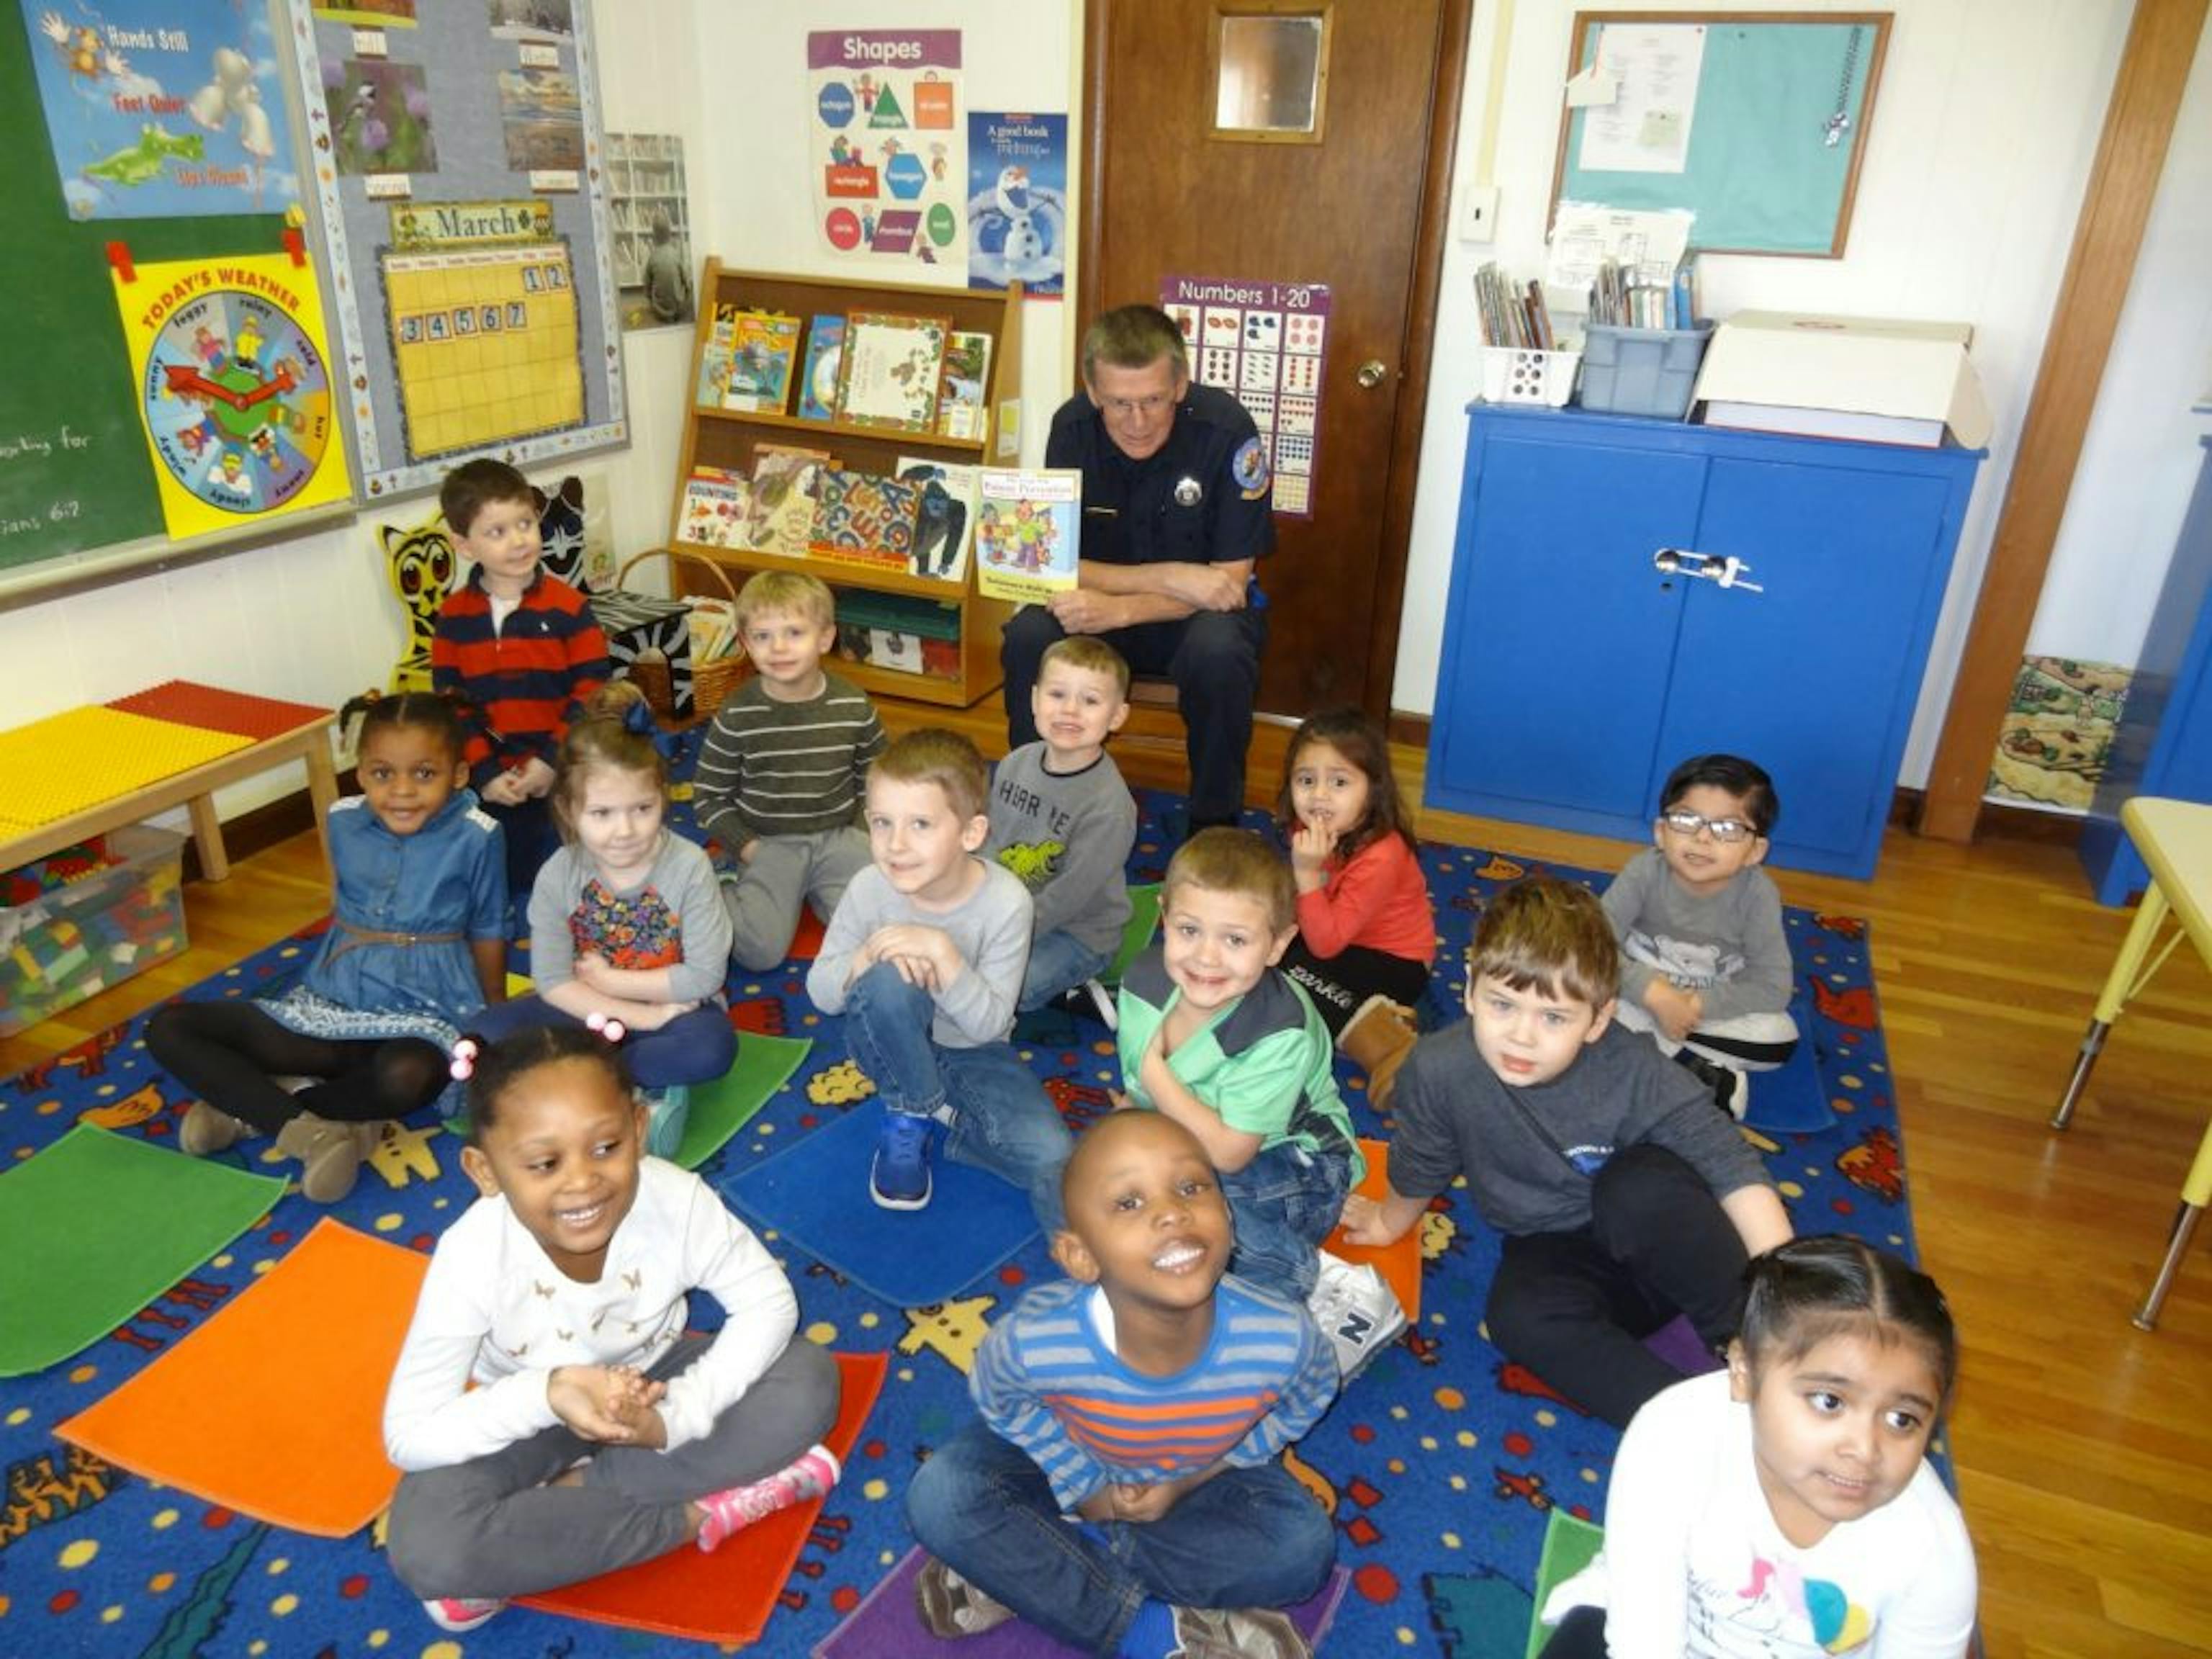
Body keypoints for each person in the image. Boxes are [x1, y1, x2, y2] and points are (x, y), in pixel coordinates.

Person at [382, 1026, 842, 1635]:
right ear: (484, 1170)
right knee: (428, 1547)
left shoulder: (677, 1200)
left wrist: (676, 1417)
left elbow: (768, 1303)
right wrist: (547, 1394)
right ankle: (698, 1516)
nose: (582, 1182)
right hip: (533, 1410)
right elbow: (409, 1433)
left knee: (807, 1379)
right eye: (544, 1164)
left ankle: (563, 1511)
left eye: (606, 1147)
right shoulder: (470, 1256)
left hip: (655, 1382)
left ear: (639, 1129)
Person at [1339, 876, 1794, 1427]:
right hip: (1558, 1248)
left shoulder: (1631, 1066)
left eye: (1554, 1017)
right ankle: (1689, 1425)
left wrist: (1783, 1309)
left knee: (1635, 1188)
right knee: (1517, 1317)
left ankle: (1752, 1345)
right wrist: (1389, 1221)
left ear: (1599, 1019)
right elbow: (1423, 1156)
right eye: (1502, 1005)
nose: (1522, 1036)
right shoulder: (1437, 1069)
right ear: (1470, 990)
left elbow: (1731, 1167)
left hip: (1670, 1243)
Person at [904, 1110, 1339, 1659]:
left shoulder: (1282, 1334)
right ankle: (1149, 1633)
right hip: (1067, 1456)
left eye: (1191, 1187)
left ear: (1228, 1218)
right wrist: (1084, 1484)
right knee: (942, 1494)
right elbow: (998, 1394)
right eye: (1129, 1202)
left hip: (1192, 1482)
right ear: (1080, 1257)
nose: (1172, 1212)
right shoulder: (1040, 1336)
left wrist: (1200, 1476)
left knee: (1302, 1550)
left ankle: (1032, 1561)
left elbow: (1313, 1389)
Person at [1537, 1236, 1977, 1659]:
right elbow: (1644, 1643)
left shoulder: (1932, 1548)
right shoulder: (1672, 1436)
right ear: (1744, 1372)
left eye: (1902, 1419)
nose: (1865, 1449)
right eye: (1829, 1402)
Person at [148, 691, 505, 1203]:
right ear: (360, 773)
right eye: (382, 774)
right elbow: (346, 906)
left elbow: (490, 926)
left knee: (408, 1077)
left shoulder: (479, 835)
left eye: (424, 774)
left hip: (428, 1010)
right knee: (169, 1027)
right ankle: (310, 1129)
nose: (402, 791)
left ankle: (258, 1108)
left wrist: (492, 1020)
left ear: (459, 775)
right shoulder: (342, 820)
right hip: (335, 1000)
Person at [1116, 829, 1390, 1362]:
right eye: (1189, 930)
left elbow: (1228, 1153)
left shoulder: (1277, 1029)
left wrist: (1153, 1074)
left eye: (1235, 940)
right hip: (1197, 1144)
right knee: (1098, 1183)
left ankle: (1322, 1284)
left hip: (1300, 1163)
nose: (1206, 957)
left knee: (1196, 1214)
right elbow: (1144, 1097)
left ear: (1278, 946)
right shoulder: (1144, 981)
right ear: (1164, 917)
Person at [1002, 304, 1272, 835]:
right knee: (1028, 635)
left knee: (1220, 652)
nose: (1138, 422)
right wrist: (1172, 575)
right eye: (1119, 404)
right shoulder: (1071, 428)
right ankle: (1033, 805)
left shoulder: (1227, 430)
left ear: (1180, 384)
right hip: (1099, 613)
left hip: (1190, 621)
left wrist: (1121, 609)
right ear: (1093, 391)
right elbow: (1046, 559)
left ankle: (1213, 828)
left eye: (1153, 400)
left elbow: (1228, 584)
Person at [805, 728, 1073, 1224]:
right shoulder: (869, 887)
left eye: (921, 824)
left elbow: (990, 1026)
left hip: (971, 1048)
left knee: (1052, 1155)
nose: (896, 845)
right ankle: (910, 1110)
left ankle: (942, 1112)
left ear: (971, 834)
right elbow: (821, 993)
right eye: (882, 823)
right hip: (888, 1039)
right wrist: (864, 958)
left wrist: (945, 958)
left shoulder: (1007, 901)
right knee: (888, 979)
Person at [468, 682, 734, 1158]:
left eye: (643, 809)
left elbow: (704, 976)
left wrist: (614, 982)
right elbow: (552, 981)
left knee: (711, 1050)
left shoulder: (689, 865)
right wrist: (636, 1014)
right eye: (602, 813)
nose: (625, 830)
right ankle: (619, 1083)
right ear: (569, 811)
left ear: (664, 800)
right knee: (484, 1033)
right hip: (592, 1008)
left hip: (679, 1010)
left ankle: (578, 1080)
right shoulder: (558, 874)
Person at [431, 457, 610, 899]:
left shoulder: (569, 607)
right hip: (495, 783)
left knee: (588, 876)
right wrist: (486, 773)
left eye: (525, 524)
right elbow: (451, 706)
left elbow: (592, 692)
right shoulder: (453, 618)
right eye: (497, 532)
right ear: (464, 545)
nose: (518, 541)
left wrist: (551, 760)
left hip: (568, 771)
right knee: (505, 883)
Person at [693, 570, 885, 972]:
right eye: (763, 636)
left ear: (826, 638)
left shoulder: (854, 705)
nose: (778, 648)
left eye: (794, 633)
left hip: (840, 836)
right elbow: (709, 796)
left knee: (878, 930)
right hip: (769, 842)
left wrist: (863, 833)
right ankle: (716, 886)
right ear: (746, 644)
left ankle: (811, 889)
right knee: (759, 953)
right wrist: (748, 848)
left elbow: (879, 780)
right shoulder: (737, 714)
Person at [1601, 754, 1802, 1120]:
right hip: (1636, 998)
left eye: (1728, 828)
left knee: (1780, 1039)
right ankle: (1694, 1066)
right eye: (1686, 820)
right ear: (1661, 832)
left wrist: (1694, 1006)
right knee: (1579, 996)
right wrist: (1652, 994)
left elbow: (1773, 987)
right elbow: (1592, 944)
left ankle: (1648, 1052)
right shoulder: (1643, 872)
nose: (1703, 837)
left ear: (1755, 851)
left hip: (1705, 1012)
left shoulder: (1758, 895)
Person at [1274, 706, 1436, 1110]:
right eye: (1306, 780)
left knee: (1287, 977)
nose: (1319, 795)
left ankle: (1391, 1050)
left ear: (1373, 789)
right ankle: (1376, 1018)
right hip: (1335, 935)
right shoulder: (1309, 828)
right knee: (1261, 952)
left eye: (1340, 782)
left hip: (1394, 961)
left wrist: (1306, 874)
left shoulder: (1383, 854)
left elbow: (1325, 944)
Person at [986, 635, 1138, 1015]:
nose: (1070, 710)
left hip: (1077, 933)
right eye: (1057, 695)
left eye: (1090, 701)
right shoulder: (1015, 763)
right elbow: (990, 838)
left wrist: (997, 934)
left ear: (1117, 716)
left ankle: (1073, 991)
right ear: (1035, 699)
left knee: (1003, 989)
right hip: (1007, 909)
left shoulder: (1109, 808)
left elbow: (1069, 897)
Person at [642, 210, 691, 325]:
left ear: (654, 236)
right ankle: (674, 313)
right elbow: (687, 282)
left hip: (659, 310)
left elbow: (647, 287)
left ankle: (665, 315)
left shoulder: (652, 257)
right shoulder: (676, 254)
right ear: (670, 234)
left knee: (650, 283)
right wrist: (687, 295)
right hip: (679, 308)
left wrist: (650, 299)